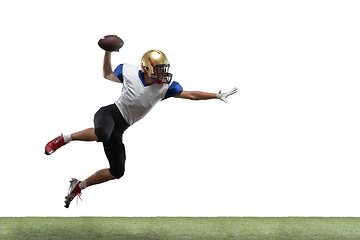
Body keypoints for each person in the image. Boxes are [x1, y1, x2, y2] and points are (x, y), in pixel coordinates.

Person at [45, 49, 237, 208]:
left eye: (164, 69)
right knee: (102, 134)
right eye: (159, 69)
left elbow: (191, 95)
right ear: (147, 68)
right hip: (109, 114)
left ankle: (79, 186)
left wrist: (215, 95)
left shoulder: (164, 87)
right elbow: (106, 74)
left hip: (120, 128)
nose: (164, 73)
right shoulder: (129, 72)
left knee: (117, 171)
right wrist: (108, 52)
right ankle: (64, 138)